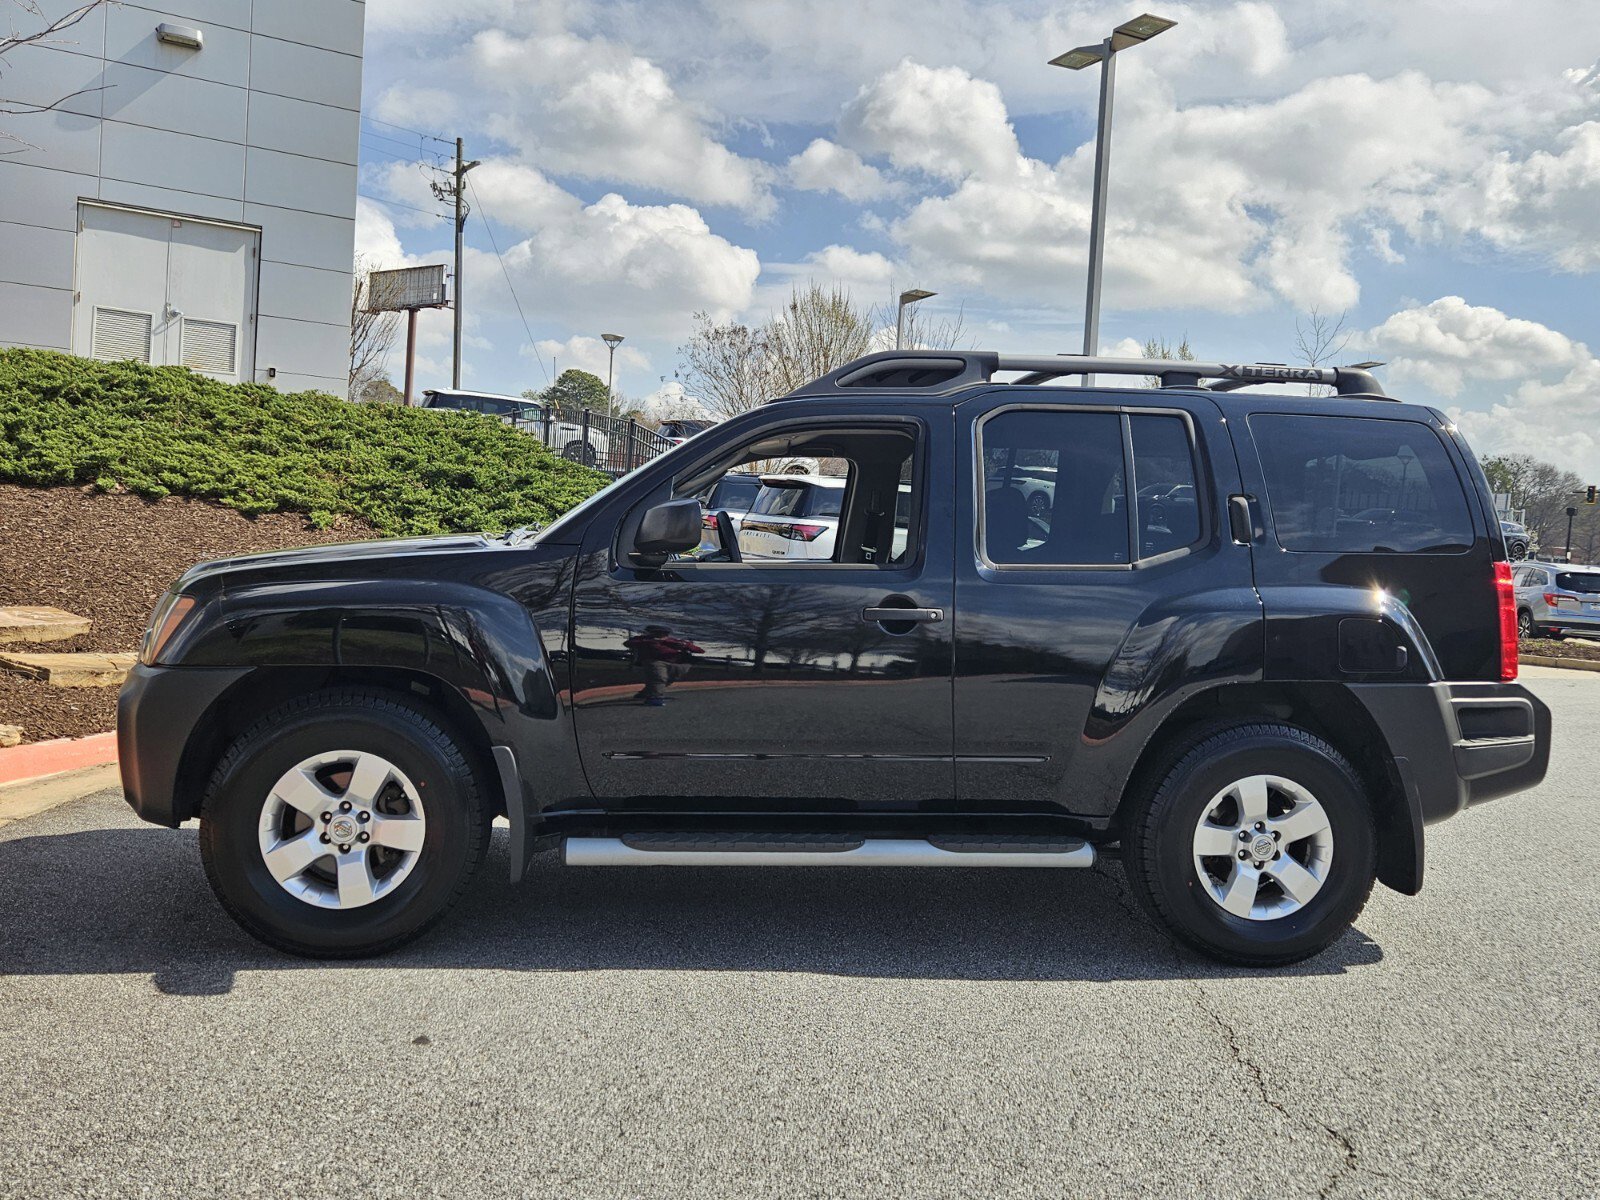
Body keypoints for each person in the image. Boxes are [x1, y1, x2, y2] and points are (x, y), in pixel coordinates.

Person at [623, 625, 705, 706]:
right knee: (659, 677)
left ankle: (647, 692)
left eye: (664, 633)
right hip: (654, 661)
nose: (661, 634)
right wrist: (652, 641)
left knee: (672, 677)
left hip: (676, 662)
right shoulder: (642, 640)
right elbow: (628, 643)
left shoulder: (675, 641)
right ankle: (655, 697)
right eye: (657, 632)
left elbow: (699, 650)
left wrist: (684, 645)